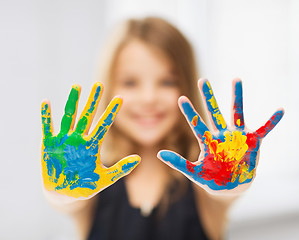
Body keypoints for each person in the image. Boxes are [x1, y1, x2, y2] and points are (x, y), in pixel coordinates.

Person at [41, 17, 284, 240]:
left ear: (186, 86)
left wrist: (231, 180)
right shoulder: (89, 178)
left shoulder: (203, 178)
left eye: (167, 81)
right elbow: (67, 202)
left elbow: (223, 194)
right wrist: (60, 189)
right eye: (130, 82)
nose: (149, 98)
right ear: (110, 86)